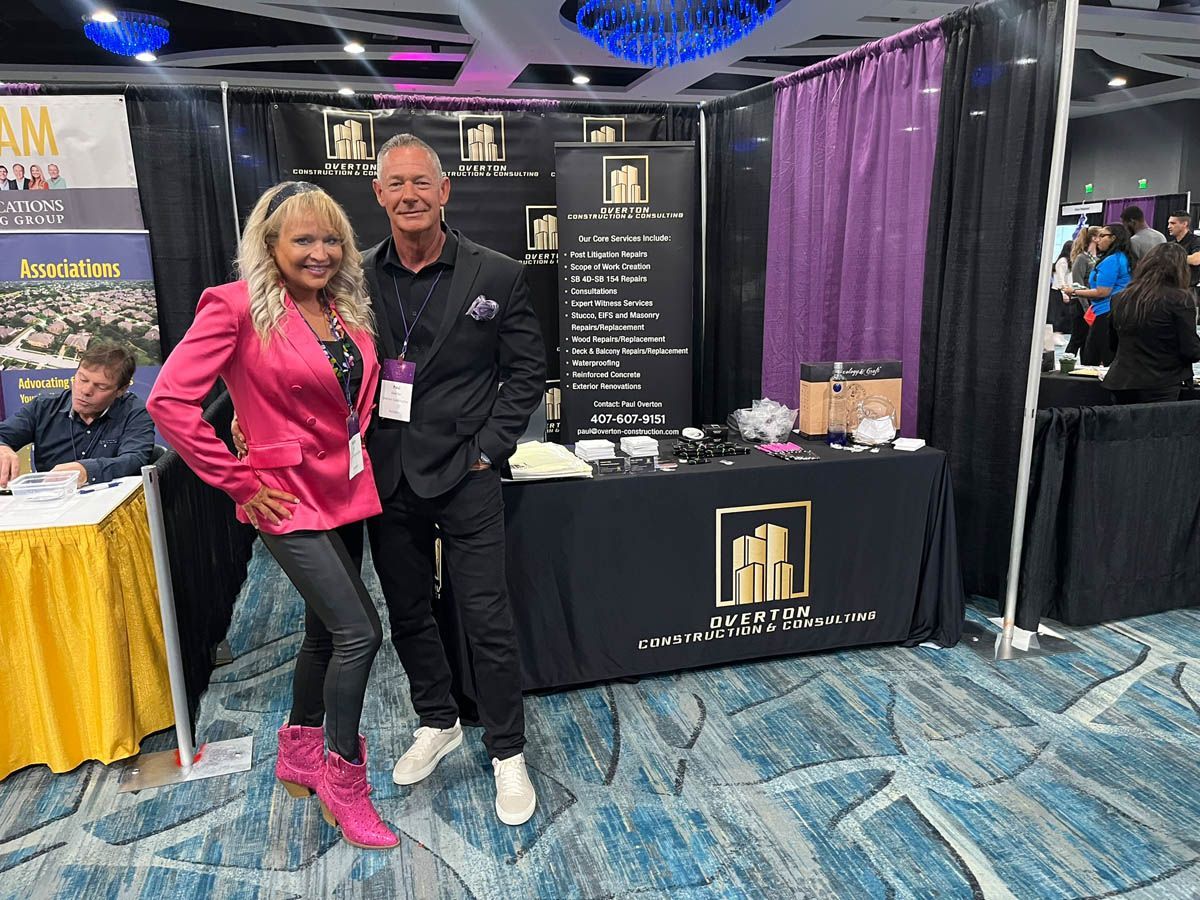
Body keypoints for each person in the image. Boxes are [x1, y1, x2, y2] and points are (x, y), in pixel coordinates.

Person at [147, 182, 397, 851]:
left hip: (345, 486)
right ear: (270, 244)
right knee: (360, 634)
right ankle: (344, 781)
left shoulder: (341, 307)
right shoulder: (233, 307)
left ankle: (298, 748)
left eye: (331, 238)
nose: (321, 252)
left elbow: (351, 398)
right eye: (304, 239)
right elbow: (170, 402)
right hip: (285, 496)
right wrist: (238, 479)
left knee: (325, 633)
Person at [333, 133, 545, 826]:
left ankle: (507, 751)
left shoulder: (498, 275)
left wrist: (489, 447)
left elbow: (525, 374)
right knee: (408, 613)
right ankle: (437, 718)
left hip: (467, 472)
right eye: (395, 184)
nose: (409, 195)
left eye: (421, 182)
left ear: (444, 190)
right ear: (378, 196)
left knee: (485, 616)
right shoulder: (354, 278)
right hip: (386, 474)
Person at [0, 342, 153, 488]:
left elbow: (134, 459)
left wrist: (86, 471)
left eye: (101, 386)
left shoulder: (134, 411)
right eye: (82, 379)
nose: (86, 391)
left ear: (121, 390)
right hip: (52, 503)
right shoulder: (44, 406)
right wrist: (2, 448)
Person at [1104, 242, 1200, 404]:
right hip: (1160, 383)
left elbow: (1113, 343)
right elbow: (1190, 350)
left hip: (1121, 381)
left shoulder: (1120, 298)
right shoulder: (1181, 299)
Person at [1065, 223, 1133, 366]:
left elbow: (1103, 292)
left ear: (1113, 238)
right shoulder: (1122, 258)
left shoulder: (1112, 260)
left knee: (1093, 359)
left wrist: (1075, 292)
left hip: (1106, 313)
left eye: (1102, 236)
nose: (1098, 240)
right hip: (1113, 312)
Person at [1062, 225, 1100, 356]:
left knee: (1087, 340)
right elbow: (1077, 284)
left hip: (1092, 303)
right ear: (1094, 238)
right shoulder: (1081, 258)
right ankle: (1066, 365)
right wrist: (1086, 308)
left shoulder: (1097, 258)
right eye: (1100, 236)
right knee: (1077, 338)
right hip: (1080, 303)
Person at [1166, 210, 1200, 301]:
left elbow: (1196, 259)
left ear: (1184, 224)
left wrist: (1171, 258)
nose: (1169, 226)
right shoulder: (1171, 245)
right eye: (1169, 223)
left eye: (1173, 223)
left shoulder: (1196, 241)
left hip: (1189, 291)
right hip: (1171, 289)